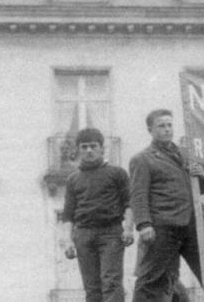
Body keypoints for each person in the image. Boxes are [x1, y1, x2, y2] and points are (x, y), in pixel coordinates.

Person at [130, 109, 204, 302]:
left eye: (169, 125)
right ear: (150, 129)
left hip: (194, 224)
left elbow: (202, 188)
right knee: (153, 278)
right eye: (161, 126)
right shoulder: (142, 159)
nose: (167, 130)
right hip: (163, 226)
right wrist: (144, 224)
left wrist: (202, 175)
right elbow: (138, 194)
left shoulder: (186, 154)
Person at [61, 128, 135, 302]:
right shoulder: (73, 179)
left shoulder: (117, 173)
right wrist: (68, 240)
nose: (89, 150)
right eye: (84, 147)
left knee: (111, 282)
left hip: (110, 233)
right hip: (83, 235)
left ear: (102, 148)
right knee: (91, 287)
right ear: (78, 150)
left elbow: (130, 203)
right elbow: (68, 214)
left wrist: (129, 229)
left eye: (93, 146)